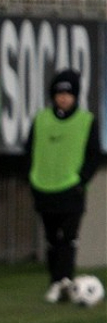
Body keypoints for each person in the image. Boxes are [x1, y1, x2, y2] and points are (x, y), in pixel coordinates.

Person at [25, 69, 100, 303]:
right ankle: (56, 281)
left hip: (71, 189)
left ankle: (63, 281)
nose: (64, 98)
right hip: (44, 188)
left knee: (68, 238)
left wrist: (81, 181)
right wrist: (32, 179)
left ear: (76, 95)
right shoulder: (41, 120)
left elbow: (94, 155)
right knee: (51, 239)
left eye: (68, 94)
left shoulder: (86, 121)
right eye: (59, 94)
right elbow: (29, 151)